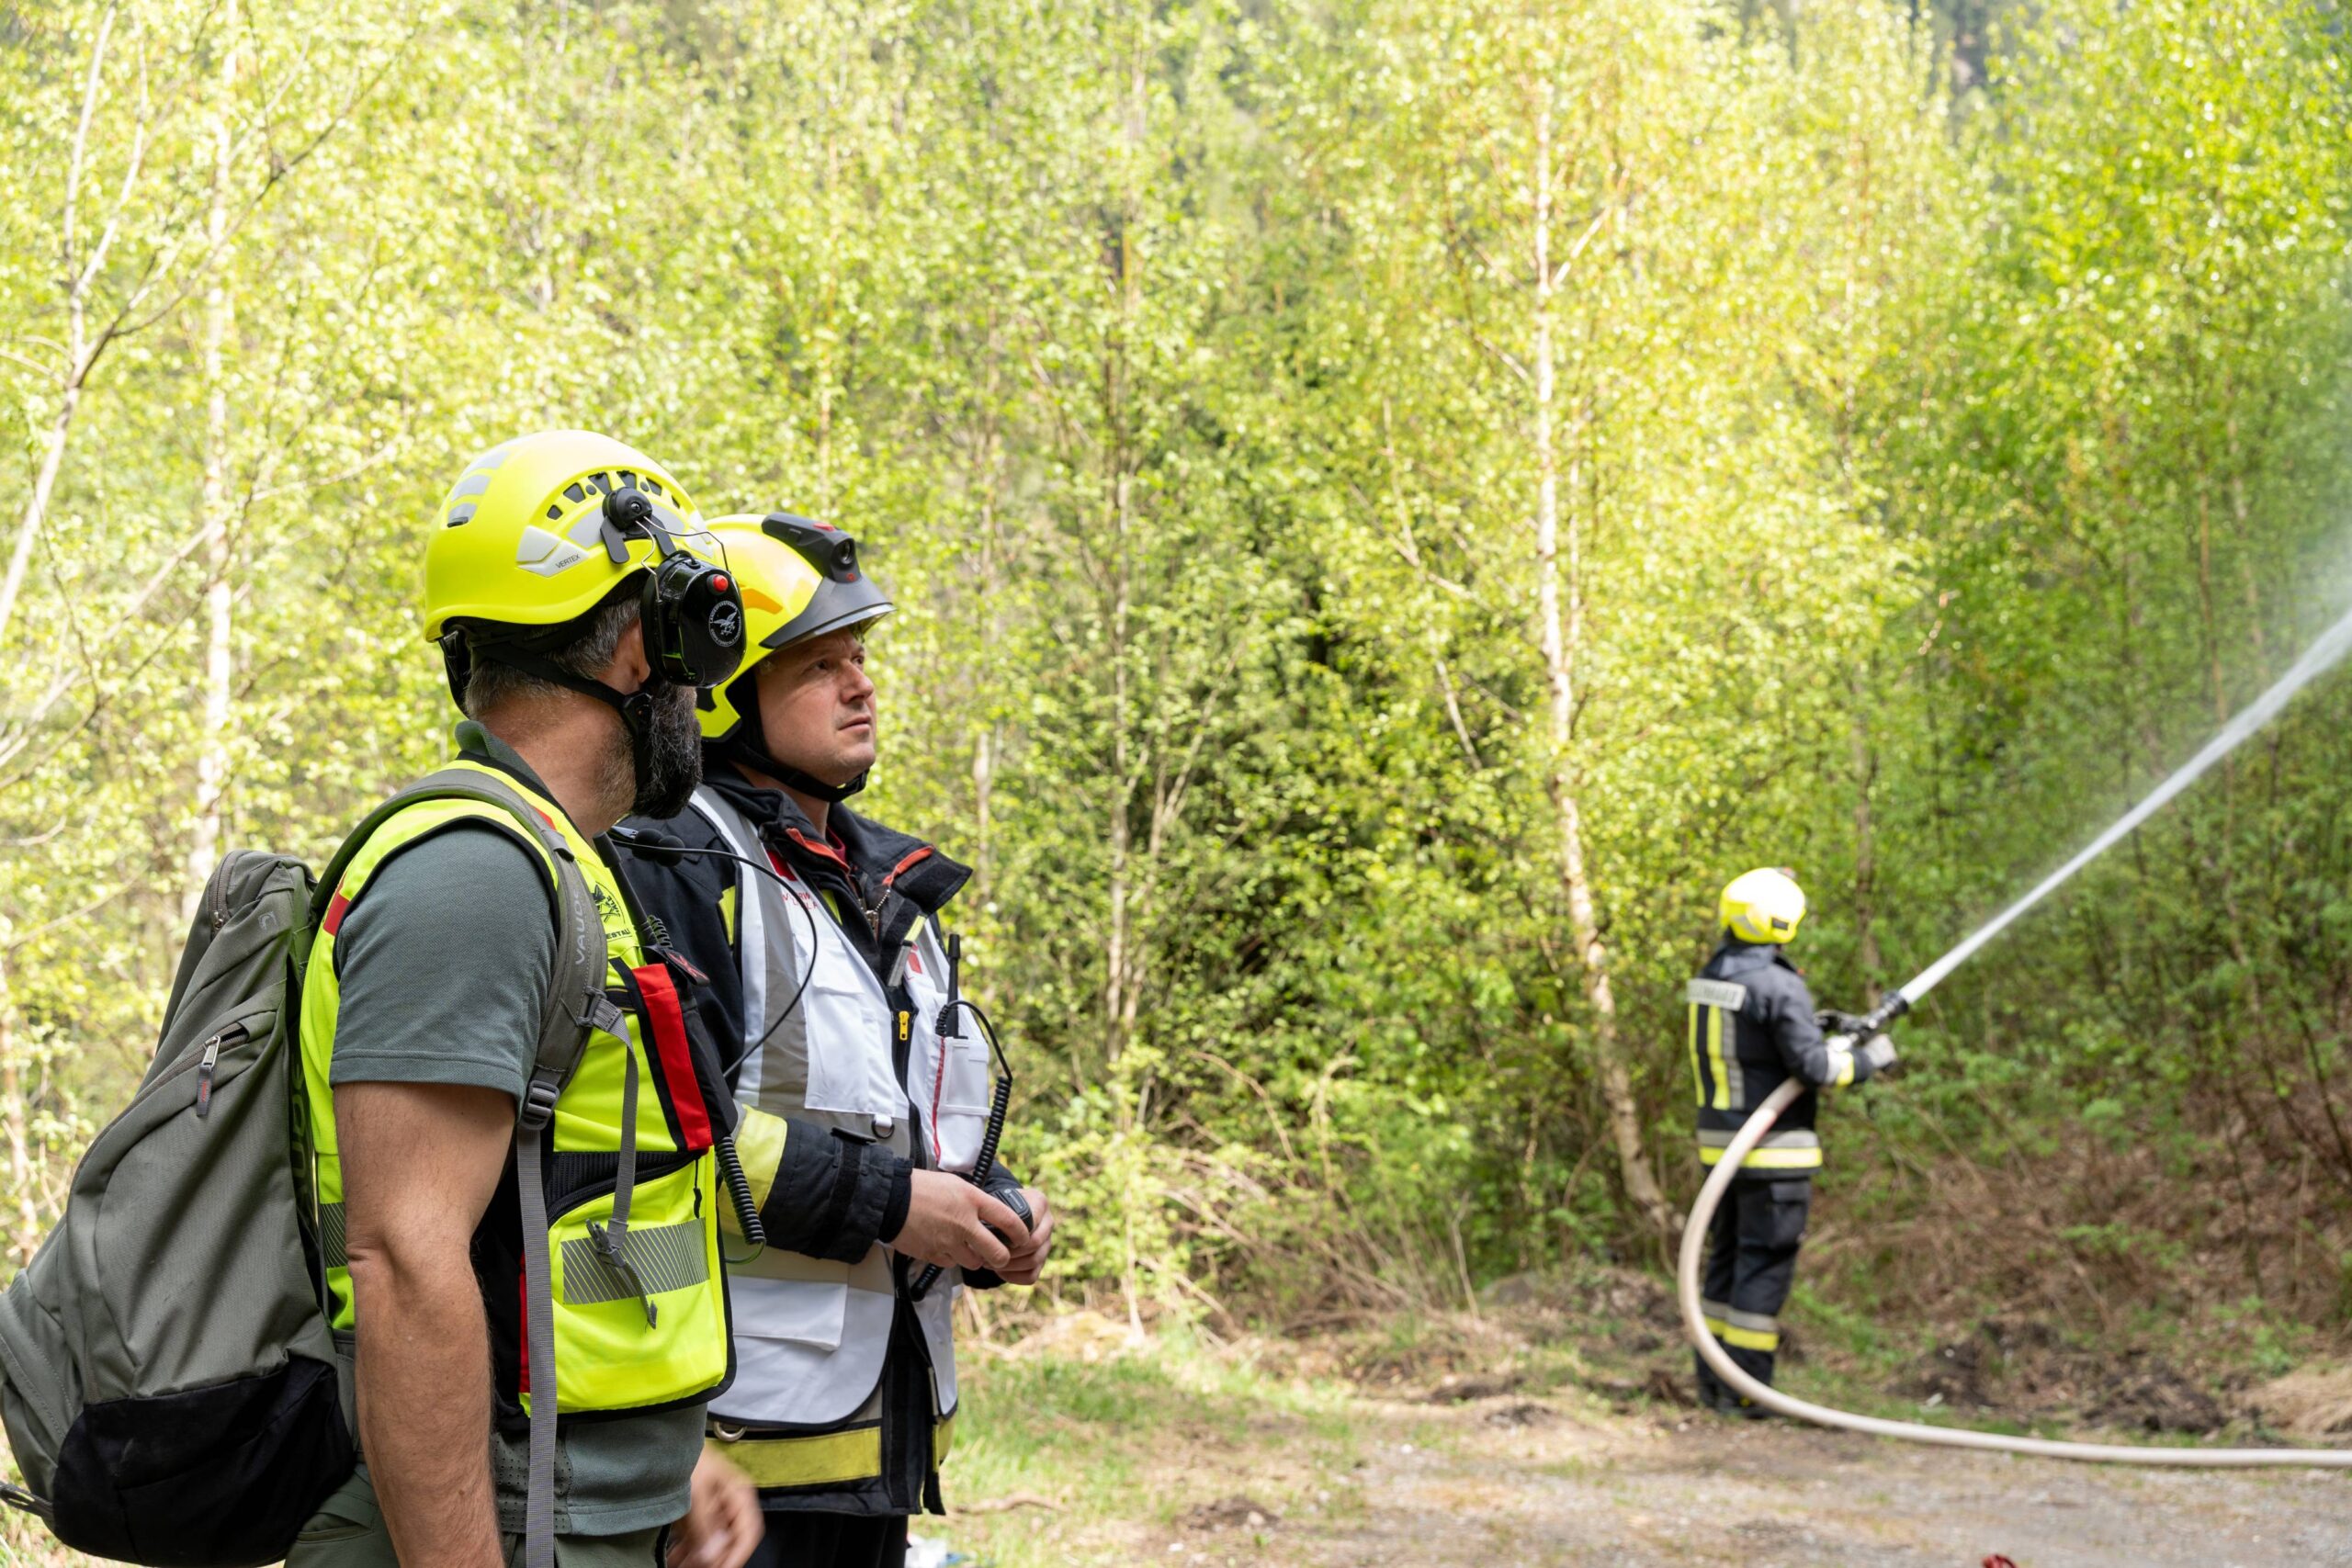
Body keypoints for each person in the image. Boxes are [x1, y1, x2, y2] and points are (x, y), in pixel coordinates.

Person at [289, 432, 763, 1568]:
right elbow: (405, 1264)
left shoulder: (562, 864)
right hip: (502, 1516)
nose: (703, 694)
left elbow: (563, 1212)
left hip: (572, 1494)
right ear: (649, 645)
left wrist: (659, 1453)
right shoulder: (474, 876)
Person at [625, 513, 1055, 1568]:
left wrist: (994, 1207)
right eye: (820, 664)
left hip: (868, 1446)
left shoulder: (886, 889)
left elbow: (900, 1128)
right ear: (723, 691)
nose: (861, 684)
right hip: (728, 1458)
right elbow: (678, 1141)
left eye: (859, 656)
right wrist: (900, 1205)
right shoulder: (678, 865)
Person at [1686, 867, 1894, 1416]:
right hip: (1773, 1155)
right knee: (1763, 1265)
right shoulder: (1780, 986)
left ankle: (1713, 1383)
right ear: (1783, 923)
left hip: (1719, 1153)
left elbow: (1758, 1044)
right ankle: (1751, 1391)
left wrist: (1815, 1026)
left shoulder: (1710, 977)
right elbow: (1817, 1068)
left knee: (1725, 1262)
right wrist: (1870, 1060)